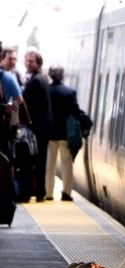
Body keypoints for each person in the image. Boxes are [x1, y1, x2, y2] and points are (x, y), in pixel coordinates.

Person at [45, 65, 82, 201]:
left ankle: (48, 193)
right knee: (67, 164)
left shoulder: (46, 91)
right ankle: (66, 193)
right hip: (66, 134)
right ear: (62, 76)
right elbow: (76, 111)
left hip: (49, 134)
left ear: (49, 75)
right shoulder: (70, 92)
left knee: (49, 164)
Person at [22, 48, 52, 202]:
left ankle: (37, 191)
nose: (27, 63)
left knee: (36, 161)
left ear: (38, 63)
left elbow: (23, 103)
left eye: (31, 61)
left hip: (38, 128)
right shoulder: (42, 78)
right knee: (41, 160)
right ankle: (40, 191)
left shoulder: (35, 81)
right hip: (43, 127)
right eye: (26, 60)